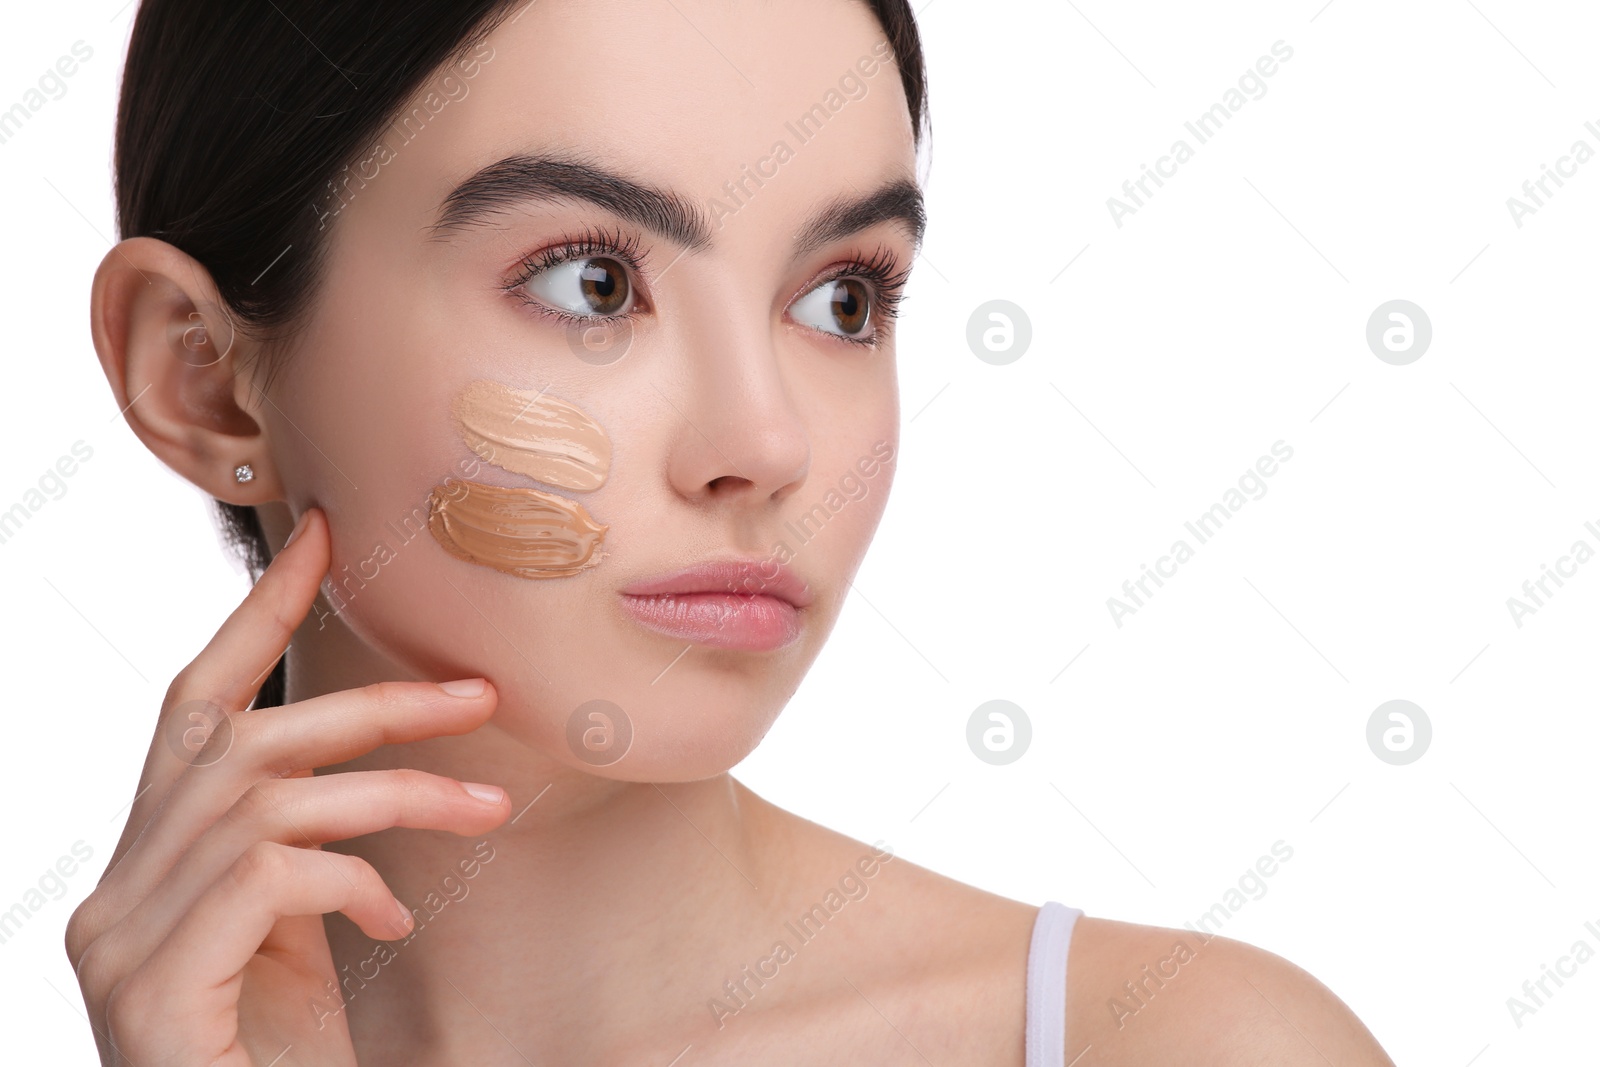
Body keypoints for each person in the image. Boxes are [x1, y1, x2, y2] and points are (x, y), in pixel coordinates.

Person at [65, 0, 1396, 1062]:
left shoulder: (1184, 1045)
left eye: (842, 299)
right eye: (595, 282)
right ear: (199, 372)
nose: (767, 444)